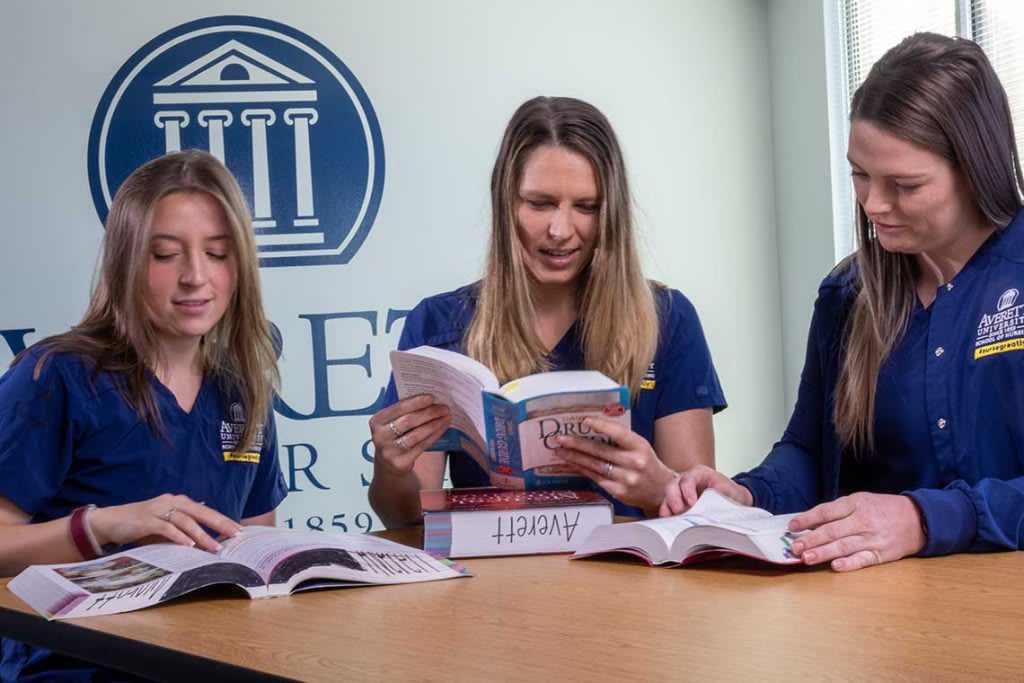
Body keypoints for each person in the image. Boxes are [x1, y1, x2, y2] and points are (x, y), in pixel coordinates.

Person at [662, 33, 1024, 571]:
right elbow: (810, 453)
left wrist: (924, 519)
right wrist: (746, 496)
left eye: (905, 184)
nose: (874, 204)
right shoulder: (847, 297)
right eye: (860, 175)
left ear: (974, 168)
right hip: (874, 619)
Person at [369, 96, 726, 527]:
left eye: (587, 207)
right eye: (539, 204)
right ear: (506, 204)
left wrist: (658, 487)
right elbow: (406, 520)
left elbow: (699, 519)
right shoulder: (438, 324)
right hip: (493, 586)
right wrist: (391, 467)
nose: (561, 231)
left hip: (631, 582)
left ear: (611, 213)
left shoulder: (667, 319)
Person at [0, 150, 287, 679]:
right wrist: (107, 525)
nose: (195, 277)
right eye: (164, 255)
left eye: (218, 254)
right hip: (75, 666)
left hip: (214, 658)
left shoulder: (242, 387)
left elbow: (254, 538)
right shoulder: (57, 375)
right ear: (125, 260)